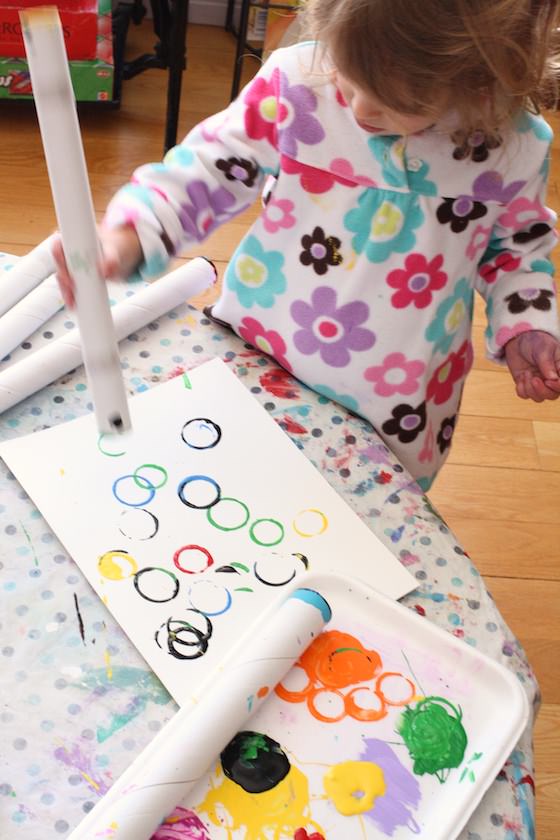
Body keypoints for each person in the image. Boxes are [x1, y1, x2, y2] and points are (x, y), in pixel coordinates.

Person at [54, 0, 560, 490]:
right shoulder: (299, 83)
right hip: (261, 348)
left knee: (362, 523)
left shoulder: (514, 144)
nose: (359, 109)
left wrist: (529, 326)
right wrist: (130, 235)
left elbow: (517, 250)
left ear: (477, 81)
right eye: (346, 72)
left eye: (395, 104)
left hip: (397, 402)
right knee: (230, 482)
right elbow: (210, 168)